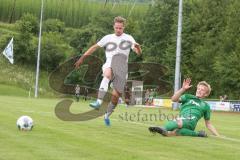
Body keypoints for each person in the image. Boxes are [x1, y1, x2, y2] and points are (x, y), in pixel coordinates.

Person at [75, 16, 142, 126]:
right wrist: (82, 58)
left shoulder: (129, 38)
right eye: (116, 28)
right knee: (107, 73)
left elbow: (137, 52)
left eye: (120, 28)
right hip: (110, 64)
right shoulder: (107, 38)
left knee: (115, 97)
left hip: (122, 68)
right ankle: (99, 101)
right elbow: (94, 47)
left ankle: (107, 114)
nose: (118, 30)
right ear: (113, 27)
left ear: (123, 27)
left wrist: (138, 48)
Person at [149, 78, 220, 137]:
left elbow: (208, 124)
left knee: (178, 122)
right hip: (182, 119)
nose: (199, 91)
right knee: (179, 131)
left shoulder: (206, 106)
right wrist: (183, 89)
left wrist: (218, 135)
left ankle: (163, 128)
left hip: (190, 122)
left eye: (202, 90)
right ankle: (198, 134)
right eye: (198, 89)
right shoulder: (188, 97)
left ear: (206, 94)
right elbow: (173, 99)